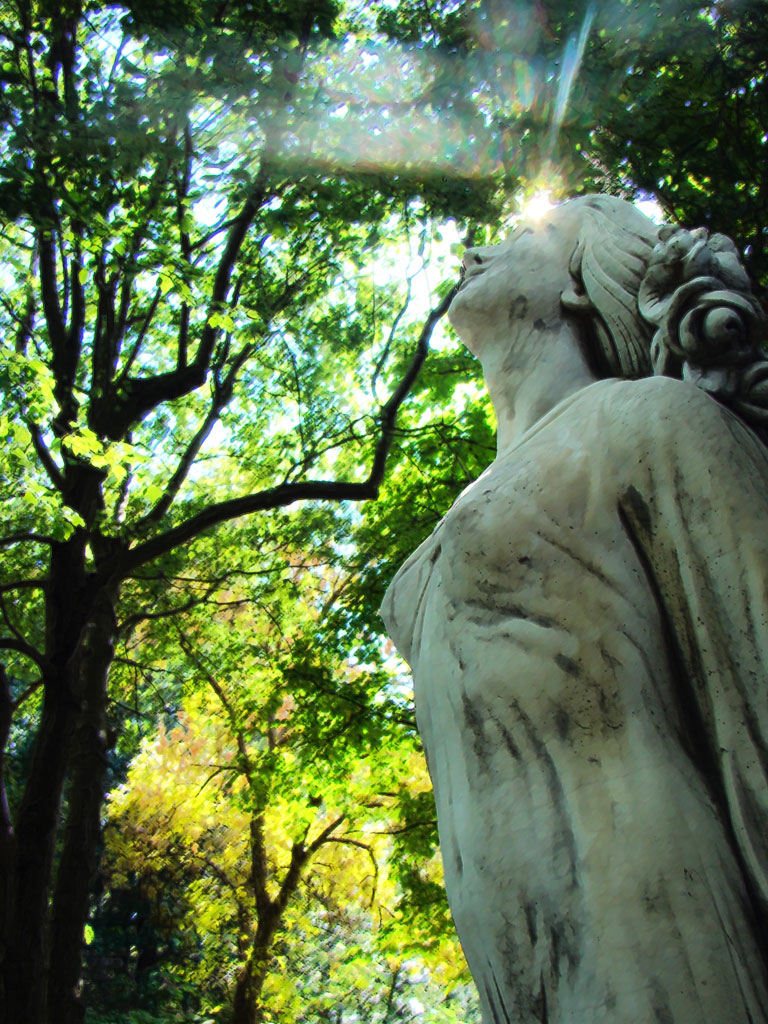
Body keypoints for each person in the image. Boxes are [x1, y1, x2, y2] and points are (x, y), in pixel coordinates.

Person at [381, 195, 768, 1023]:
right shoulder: (422, 568)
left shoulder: (647, 423)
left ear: (580, 287)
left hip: (663, 940)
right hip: (514, 976)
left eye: (524, 236)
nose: (475, 253)